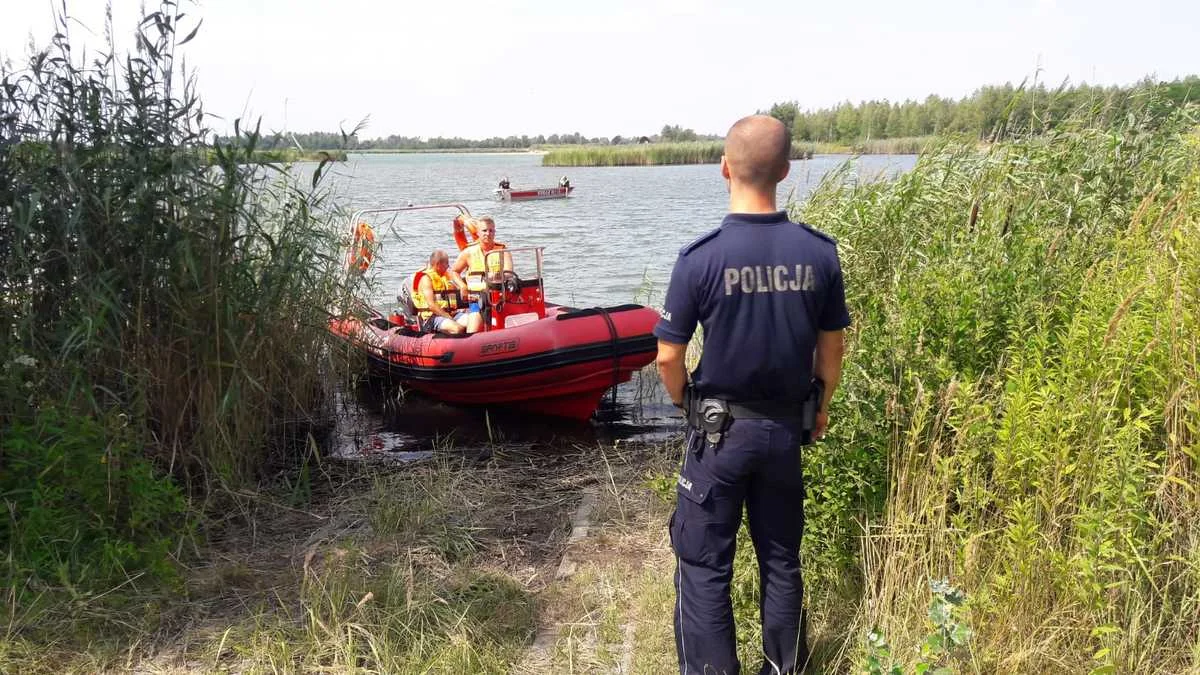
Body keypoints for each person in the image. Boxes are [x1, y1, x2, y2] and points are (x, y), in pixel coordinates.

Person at [653, 115, 848, 675]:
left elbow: (668, 357)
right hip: (786, 432)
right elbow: (829, 353)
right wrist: (819, 407)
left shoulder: (700, 259)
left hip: (719, 437)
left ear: (724, 168)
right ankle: (782, 669)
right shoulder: (819, 255)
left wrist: (687, 406)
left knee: (704, 564)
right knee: (781, 560)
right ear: (785, 171)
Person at [412, 249, 482, 334]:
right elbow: (431, 305)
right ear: (438, 264)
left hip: (451, 314)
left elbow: (455, 296)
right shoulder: (426, 279)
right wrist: (447, 316)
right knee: (457, 329)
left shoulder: (446, 277)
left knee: (474, 321)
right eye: (447, 264)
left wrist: (468, 296)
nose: (448, 267)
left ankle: (472, 343)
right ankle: (457, 344)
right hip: (432, 317)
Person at [453, 215, 513, 284]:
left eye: (491, 231)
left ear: (494, 232)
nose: (488, 234)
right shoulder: (468, 252)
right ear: (478, 233)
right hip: (475, 292)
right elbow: (454, 272)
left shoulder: (503, 251)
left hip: (496, 291)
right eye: (484, 231)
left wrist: (497, 276)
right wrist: (462, 286)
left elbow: (509, 273)